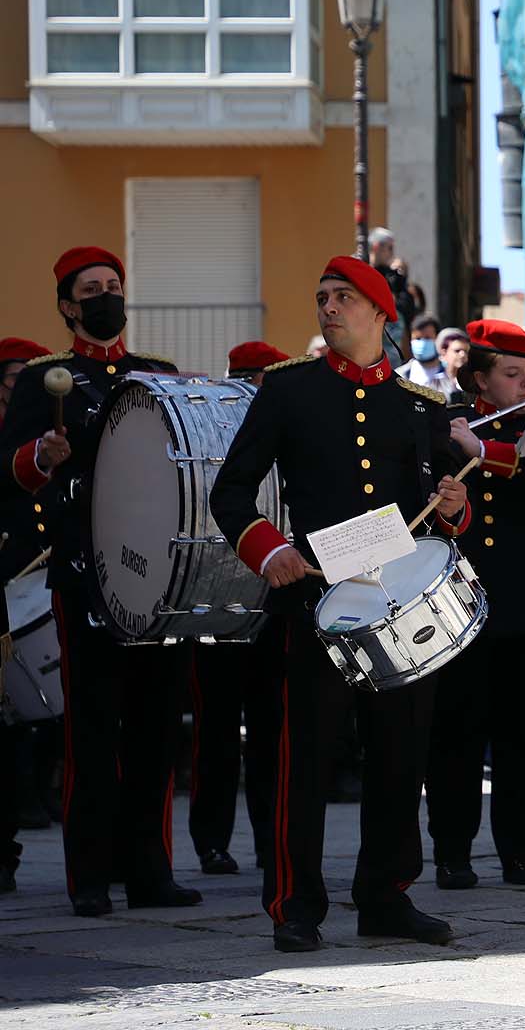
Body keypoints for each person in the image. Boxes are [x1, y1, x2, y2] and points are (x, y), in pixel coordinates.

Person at [210, 254, 474, 950]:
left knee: (400, 755)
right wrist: (270, 551)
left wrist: (454, 505)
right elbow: (230, 491)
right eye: (322, 296)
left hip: (400, 601)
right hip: (315, 601)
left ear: (380, 312)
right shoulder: (290, 391)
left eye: (344, 297)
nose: (328, 307)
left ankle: (386, 896)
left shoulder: (421, 406)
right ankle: (295, 903)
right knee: (306, 759)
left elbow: (443, 507)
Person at [0, 247, 196, 918]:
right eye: (92, 289)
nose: (106, 296)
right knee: (92, 731)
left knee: (155, 729)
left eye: (114, 286)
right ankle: (89, 876)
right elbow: (12, 470)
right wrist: (40, 456)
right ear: (67, 305)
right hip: (85, 572)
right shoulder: (45, 380)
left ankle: (151, 871)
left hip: (160, 577)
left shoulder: (157, 376)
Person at [426, 319, 525, 889]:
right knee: (457, 731)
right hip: (462, 602)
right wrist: (459, 440)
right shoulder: (441, 420)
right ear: (479, 380)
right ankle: (452, 851)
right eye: (512, 374)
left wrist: (481, 448)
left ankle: (519, 849)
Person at [186, 340, 290, 878]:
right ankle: (212, 841)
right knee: (217, 730)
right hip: (218, 593)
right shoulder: (210, 435)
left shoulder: (292, 430)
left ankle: (271, 839)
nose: (252, 389)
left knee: (273, 729)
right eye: (244, 378)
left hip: (274, 598)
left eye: (261, 380)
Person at [0, 335, 52, 896]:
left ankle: (7, 848)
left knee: (13, 723)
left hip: (32, 582)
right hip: (8, 576)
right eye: (12, 379)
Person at [366, 228, 418, 332]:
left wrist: (403, 278)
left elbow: (407, 309)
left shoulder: (394, 276)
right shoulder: (361, 272)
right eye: (390, 248)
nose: (392, 253)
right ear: (376, 247)